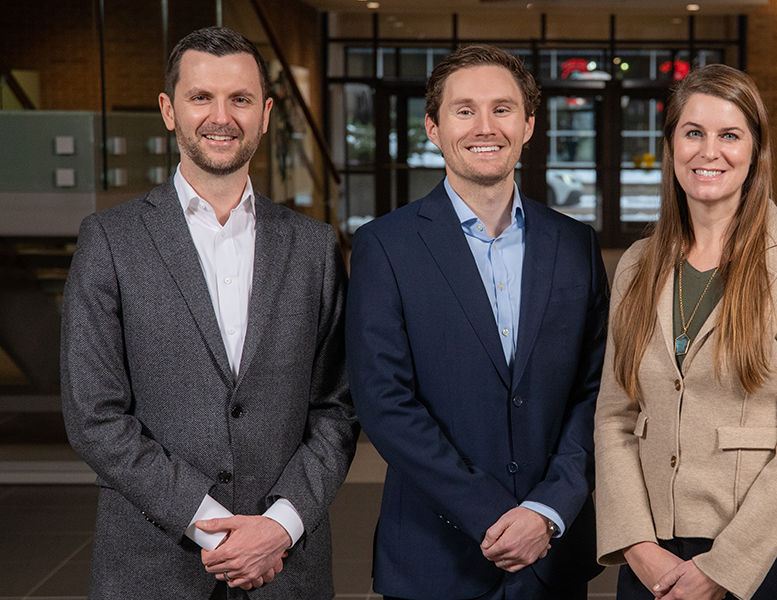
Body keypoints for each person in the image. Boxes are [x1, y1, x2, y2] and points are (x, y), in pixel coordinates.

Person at [61, 26, 358, 600]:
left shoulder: (315, 247)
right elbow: (95, 416)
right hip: (152, 567)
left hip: (285, 567)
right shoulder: (110, 241)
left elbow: (337, 410)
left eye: (240, 99)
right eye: (202, 97)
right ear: (169, 110)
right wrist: (208, 526)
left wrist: (280, 524)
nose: (221, 116)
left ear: (266, 114)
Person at [345, 45, 607, 600]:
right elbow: (383, 402)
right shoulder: (383, 246)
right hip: (433, 557)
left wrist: (546, 510)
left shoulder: (576, 245)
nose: (484, 127)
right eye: (464, 110)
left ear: (529, 125)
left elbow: (598, 392)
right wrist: (493, 515)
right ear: (433, 128)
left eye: (503, 109)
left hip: (551, 556)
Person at [594, 64, 777, 600]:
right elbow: (615, 416)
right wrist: (636, 544)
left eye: (730, 135)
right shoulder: (638, 264)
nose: (710, 152)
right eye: (693, 133)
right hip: (653, 556)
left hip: (764, 556)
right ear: (671, 146)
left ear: (755, 150)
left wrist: (723, 567)